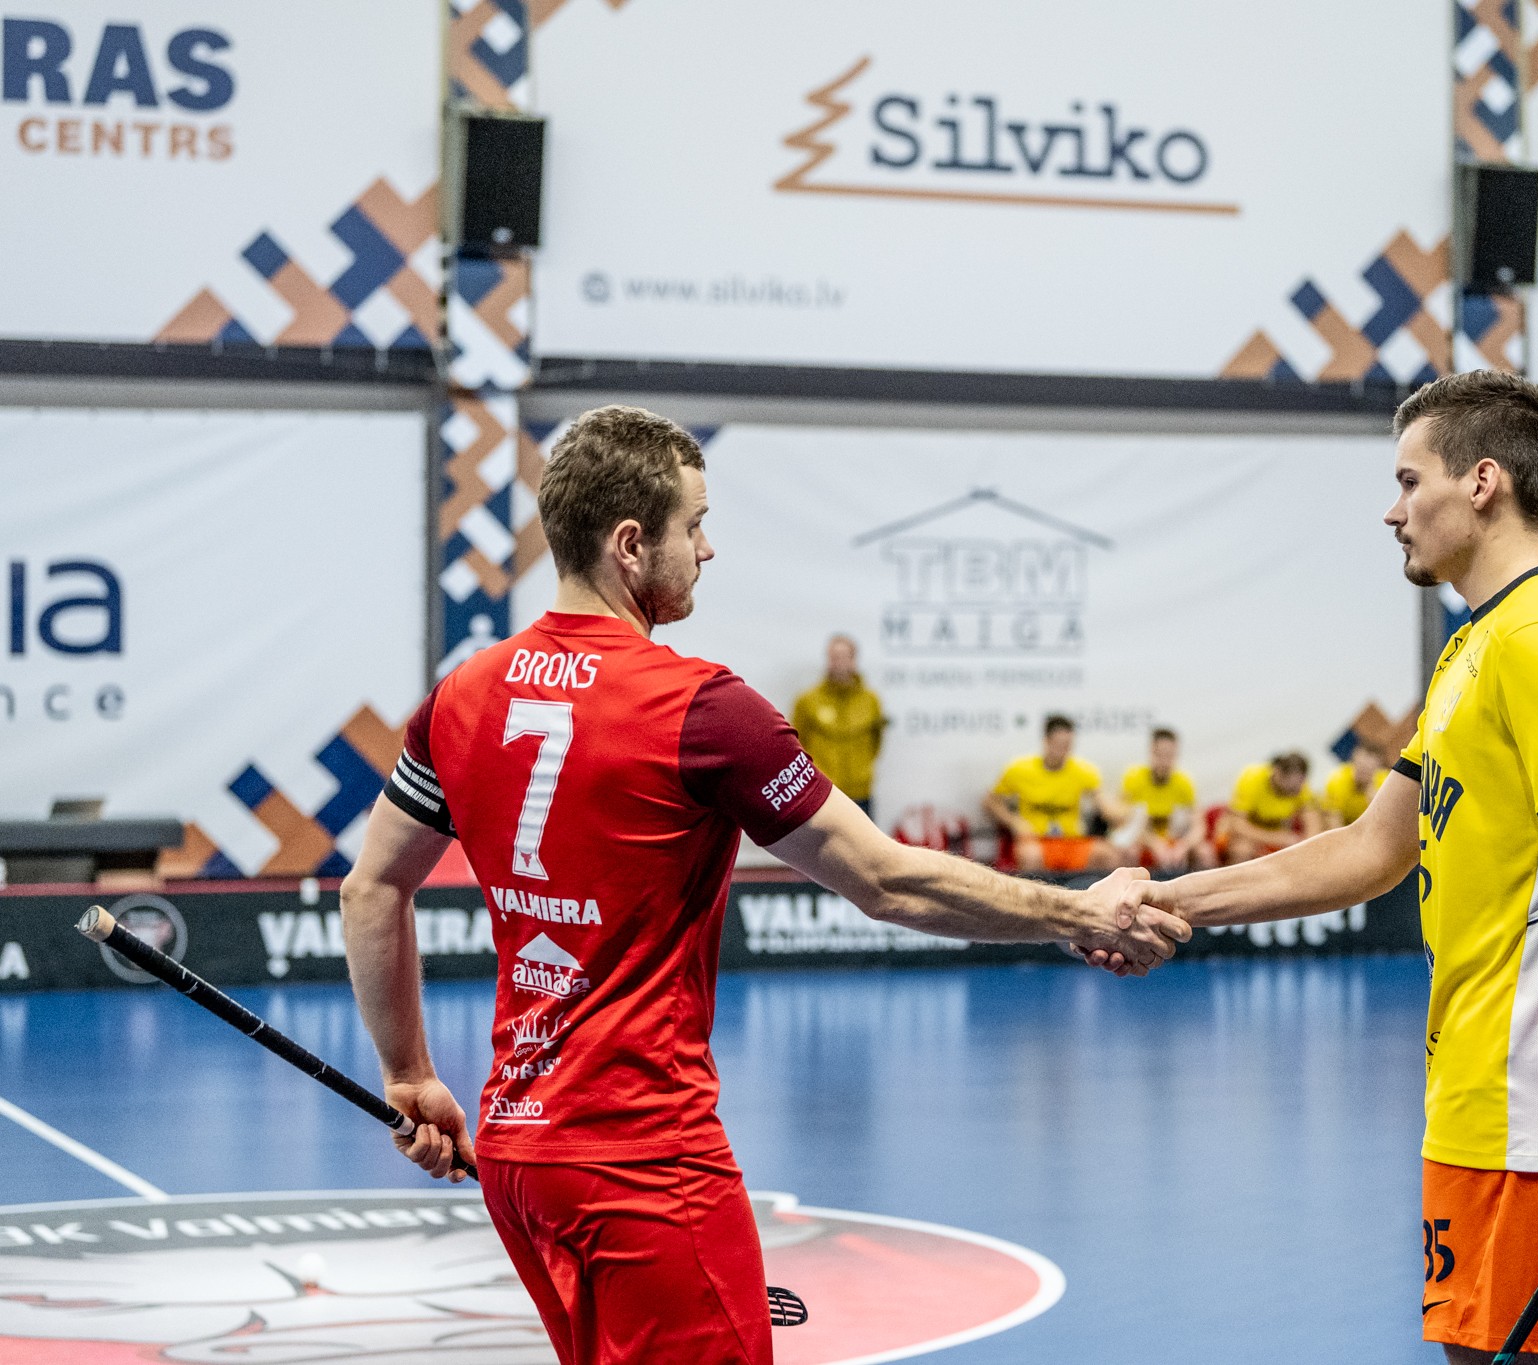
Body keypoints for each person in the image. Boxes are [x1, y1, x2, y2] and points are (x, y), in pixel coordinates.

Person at [338, 405, 1188, 1365]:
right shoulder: (703, 710)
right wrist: (1077, 909)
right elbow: (885, 880)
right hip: (645, 1160)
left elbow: (372, 890)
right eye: (694, 524)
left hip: (519, 1154)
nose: (708, 549)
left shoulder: (461, 695)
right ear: (631, 544)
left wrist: (409, 1075)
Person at [1094, 370, 1538, 1364]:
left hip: (1534, 1095)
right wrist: (1162, 900)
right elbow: (1369, 850)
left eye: (1409, 482)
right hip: (1486, 1081)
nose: (1392, 511)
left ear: (1481, 482)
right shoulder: (1472, 648)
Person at [985, 715, 1134, 873]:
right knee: (1030, 855)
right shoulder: (1019, 769)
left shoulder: (1084, 771)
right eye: (1058, 744)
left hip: (1072, 840)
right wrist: (1013, 821)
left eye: (1067, 745)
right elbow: (990, 801)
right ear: (1046, 741)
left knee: (1109, 855)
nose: (1063, 750)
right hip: (1036, 839)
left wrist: (1120, 814)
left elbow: (1104, 803)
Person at [790, 634, 887, 816]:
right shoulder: (808, 701)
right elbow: (797, 745)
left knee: (863, 836)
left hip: (860, 791)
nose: (840, 663)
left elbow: (876, 743)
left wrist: (862, 771)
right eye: (834, 657)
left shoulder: (871, 700)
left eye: (845, 657)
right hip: (822, 793)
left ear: (854, 660)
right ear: (828, 660)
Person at [1120, 727, 1216, 872]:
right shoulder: (1134, 779)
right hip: (1143, 840)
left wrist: (1184, 846)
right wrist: (1154, 843)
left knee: (1205, 853)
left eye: (1169, 756)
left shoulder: (1184, 783)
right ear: (1151, 752)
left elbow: (1199, 826)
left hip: (1175, 840)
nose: (1164, 762)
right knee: (1128, 851)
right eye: (1159, 755)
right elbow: (1124, 824)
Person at [1219, 752, 1324, 864]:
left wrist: (1307, 846)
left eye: (1300, 784)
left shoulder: (1299, 785)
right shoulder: (1252, 778)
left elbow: (1313, 821)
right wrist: (1276, 838)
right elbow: (1237, 825)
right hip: (1246, 831)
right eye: (1291, 786)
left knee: (1300, 848)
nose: (1296, 790)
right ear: (1277, 772)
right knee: (1242, 849)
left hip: (1276, 831)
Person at [1323, 742, 1390, 827]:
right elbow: (1334, 822)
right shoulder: (1337, 780)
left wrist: (1373, 796)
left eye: (1368, 770)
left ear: (1377, 769)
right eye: (1361, 767)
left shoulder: (1386, 783)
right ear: (1353, 761)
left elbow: (1384, 820)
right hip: (1346, 827)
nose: (1363, 773)